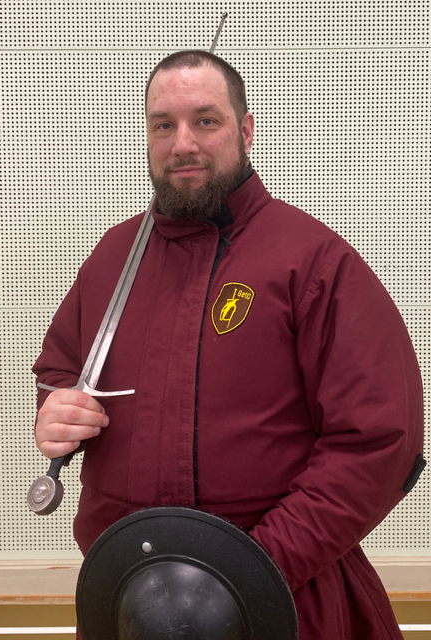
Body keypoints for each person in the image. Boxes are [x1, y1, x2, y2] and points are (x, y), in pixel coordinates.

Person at [33, 51, 425, 640]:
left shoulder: (313, 262)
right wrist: (56, 411)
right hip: (130, 602)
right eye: (163, 124)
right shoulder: (111, 259)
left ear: (244, 130)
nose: (183, 143)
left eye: (205, 120)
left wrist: (250, 569)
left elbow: (378, 442)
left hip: (286, 598)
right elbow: (60, 371)